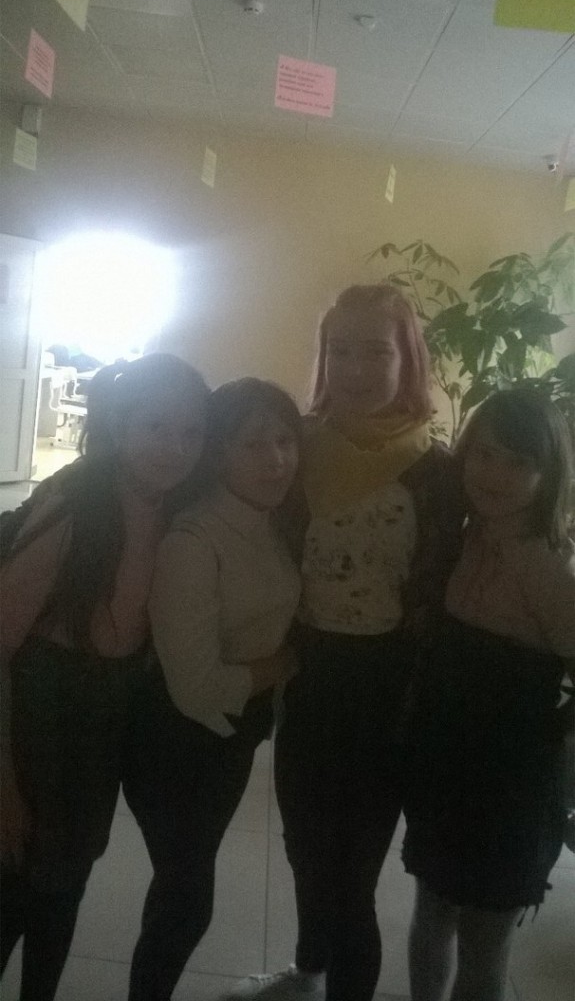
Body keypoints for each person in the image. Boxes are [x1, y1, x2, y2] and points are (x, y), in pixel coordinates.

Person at [224, 284, 464, 1001]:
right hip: (306, 676)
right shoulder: (295, 448)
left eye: (376, 352)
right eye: (341, 350)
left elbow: (446, 588)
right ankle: (308, 969)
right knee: (305, 851)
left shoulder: (436, 471)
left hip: (388, 693)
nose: (355, 368)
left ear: (407, 358)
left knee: (354, 877)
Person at [0, 353, 209, 1001]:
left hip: (103, 724)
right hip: (37, 717)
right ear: (120, 426)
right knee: (11, 891)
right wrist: (3, 786)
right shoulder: (74, 509)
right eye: (156, 427)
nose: (174, 448)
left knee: (65, 888)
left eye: (191, 432)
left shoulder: (177, 512)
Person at [122, 377, 303, 1001]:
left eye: (285, 441)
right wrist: (285, 663)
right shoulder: (193, 542)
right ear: (218, 454)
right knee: (186, 899)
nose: (276, 460)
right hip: (173, 745)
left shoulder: (273, 520)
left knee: (183, 888)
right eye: (253, 444)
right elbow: (198, 689)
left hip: (231, 738)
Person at [402, 387, 575, 1001]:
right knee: (430, 913)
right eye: (484, 454)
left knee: (485, 940)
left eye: (518, 462)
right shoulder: (463, 536)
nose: (494, 474)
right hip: (444, 769)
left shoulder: (551, 568)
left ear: (548, 473)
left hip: (510, 790)